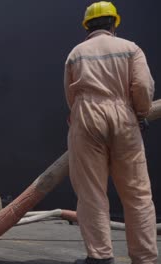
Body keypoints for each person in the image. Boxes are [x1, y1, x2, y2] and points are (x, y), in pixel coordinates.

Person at [64, 2, 158, 264]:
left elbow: (70, 94)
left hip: (86, 117)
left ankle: (100, 257)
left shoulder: (76, 53)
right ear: (114, 23)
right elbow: (141, 86)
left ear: (87, 26)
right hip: (123, 115)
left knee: (91, 192)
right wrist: (140, 112)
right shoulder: (130, 48)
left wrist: (80, 114)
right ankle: (145, 258)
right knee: (138, 194)